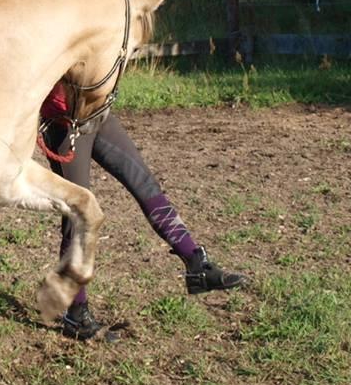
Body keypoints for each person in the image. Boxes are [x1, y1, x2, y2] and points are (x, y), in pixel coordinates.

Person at [41, 83, 246, 339]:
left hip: (97, 112)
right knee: (77, 217)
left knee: (145, 184)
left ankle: (196, 264)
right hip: (64, 126)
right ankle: (76, 313)